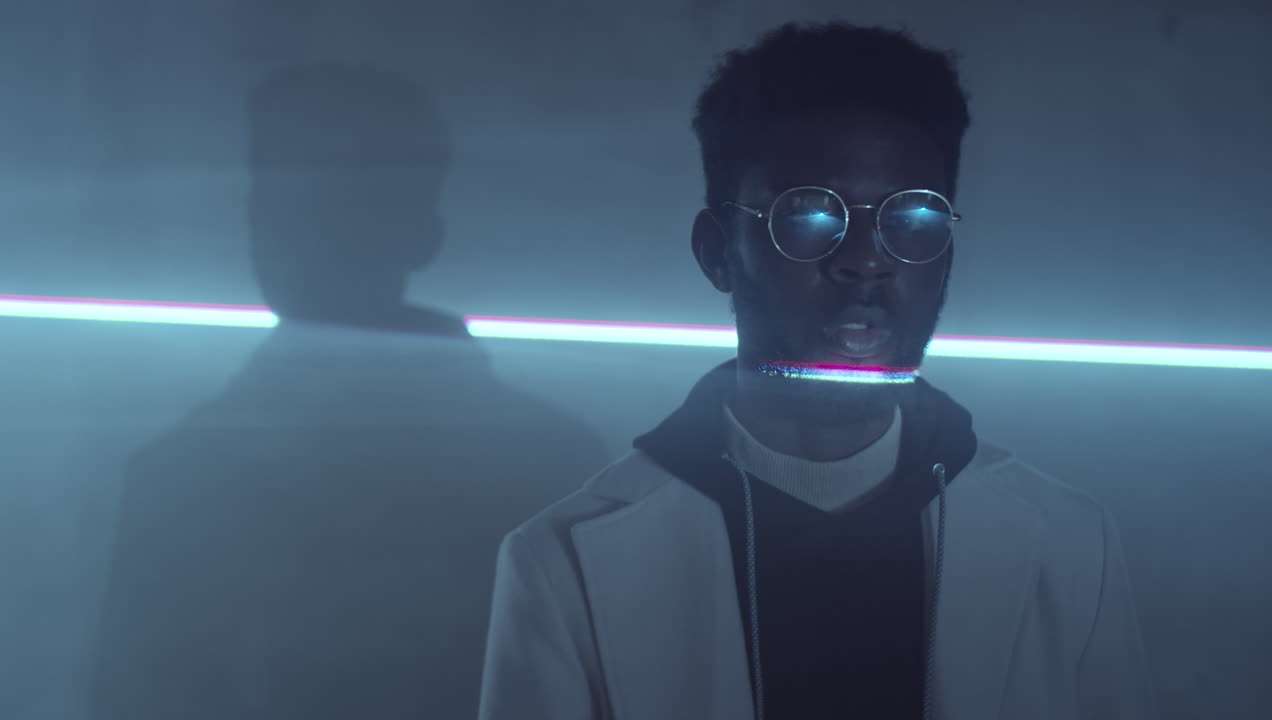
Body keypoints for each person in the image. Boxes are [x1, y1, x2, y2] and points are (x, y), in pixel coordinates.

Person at [477, 21, 1157, 720]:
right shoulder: (561, 560)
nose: (866, 258)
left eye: (914, 217)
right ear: (717, 251)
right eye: (806, 216)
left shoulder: (1071, 545)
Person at [90, 62, 608, 720]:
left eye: (340, 203)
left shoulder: (182, 477)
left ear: (419, 232)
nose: (302, 234)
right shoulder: (550, 462)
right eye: (283, 201)